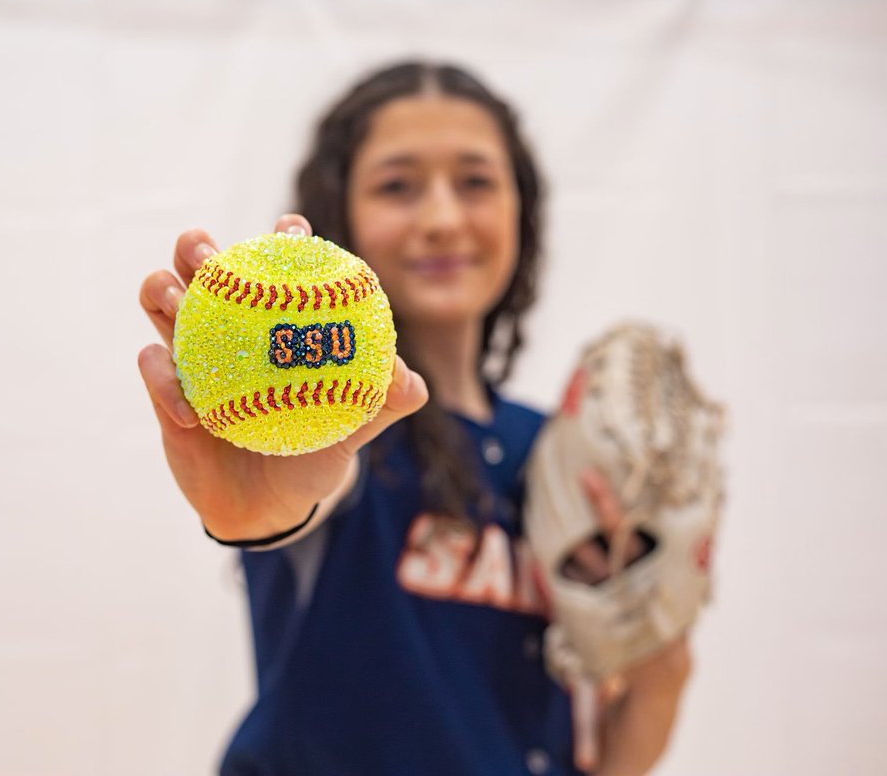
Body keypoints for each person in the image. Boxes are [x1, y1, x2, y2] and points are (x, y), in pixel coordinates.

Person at [137, 61, 691, 776]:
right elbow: (312, 494)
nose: (441, 217)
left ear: (521, 211)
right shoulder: (331, 433)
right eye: (397, 185)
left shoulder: (559, 452)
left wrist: (662, 663)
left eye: (476, 182)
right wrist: (272, 508)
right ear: (341, 216)